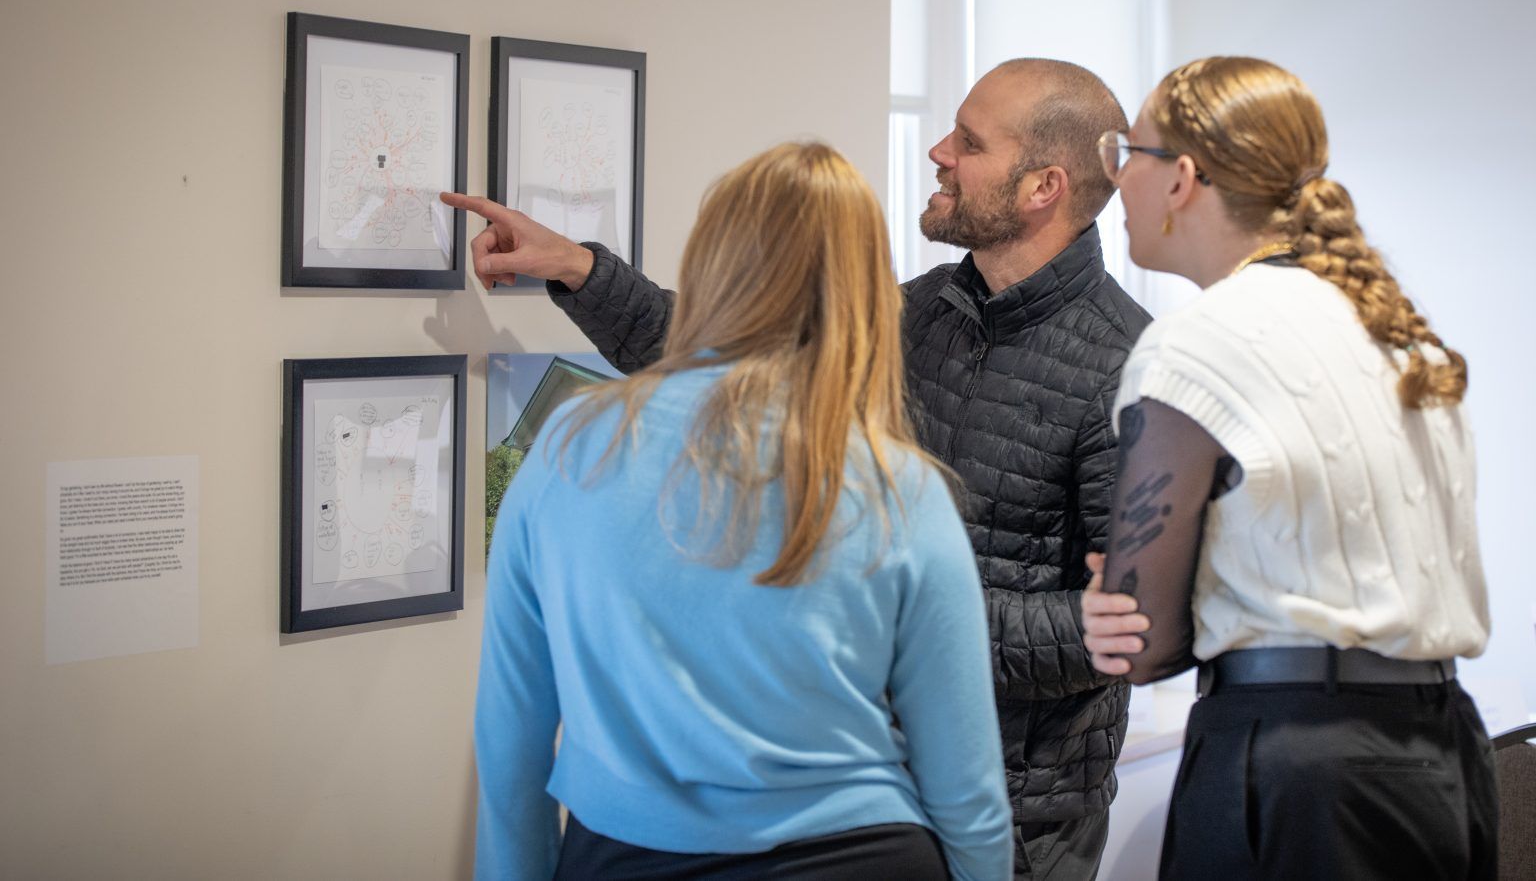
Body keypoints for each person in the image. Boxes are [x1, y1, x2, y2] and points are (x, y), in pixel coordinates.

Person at [450, 58, 1150, 879]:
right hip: (880, 782)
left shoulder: (1131, 366)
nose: (937, 152)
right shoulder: (921, 313)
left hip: (1026, 811)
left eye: (967, 141)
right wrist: (581, 271)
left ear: (1043, 187)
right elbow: (734, 358)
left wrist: (892, 607)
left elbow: (1129, 627)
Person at [474, 142, 1013, 880]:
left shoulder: (569, 447)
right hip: (864, 856)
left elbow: (511, 742)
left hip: (624, 854)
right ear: (865, 292)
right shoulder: (900, 485)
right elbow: (968, 786)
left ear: (707, 268)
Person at [1080, 56, 1497, 879]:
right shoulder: (1397, 331)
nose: (1117, 177)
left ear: (1182, 178)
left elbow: (1140, 642)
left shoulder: (1198, 342)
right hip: (1445, 753)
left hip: (1295, 770)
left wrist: (1112, 603)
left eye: (1127, 151)